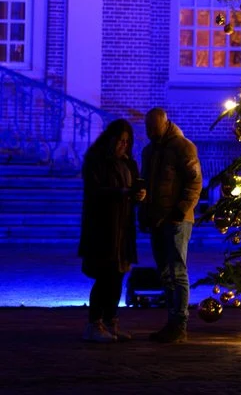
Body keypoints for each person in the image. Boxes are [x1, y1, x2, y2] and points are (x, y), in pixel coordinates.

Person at [140, 108, 202, 344]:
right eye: (149, 130)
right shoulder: (151, 151)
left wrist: (180, 210)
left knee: (176, 270)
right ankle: (173, 322)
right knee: (166, 272)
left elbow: (195, 182)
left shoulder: (183, 147)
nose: (151, 134)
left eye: (154, 130)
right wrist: (144, 212)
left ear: (165, 125)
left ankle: (179, 323)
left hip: (176, 219)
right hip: (159, 219)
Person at [78, 118, 144, 342]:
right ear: (111, 140)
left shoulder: (129, 164)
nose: (123, 146)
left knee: (118, 276)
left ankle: (111, 320)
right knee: (105, 276)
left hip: (123, 228)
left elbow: (134, 187)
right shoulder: (96, 162)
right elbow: (95, 192)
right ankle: (94, 323)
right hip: (103, 227)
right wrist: (122, 193)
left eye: (127, 142)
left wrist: (138, 195)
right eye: (120, 141)